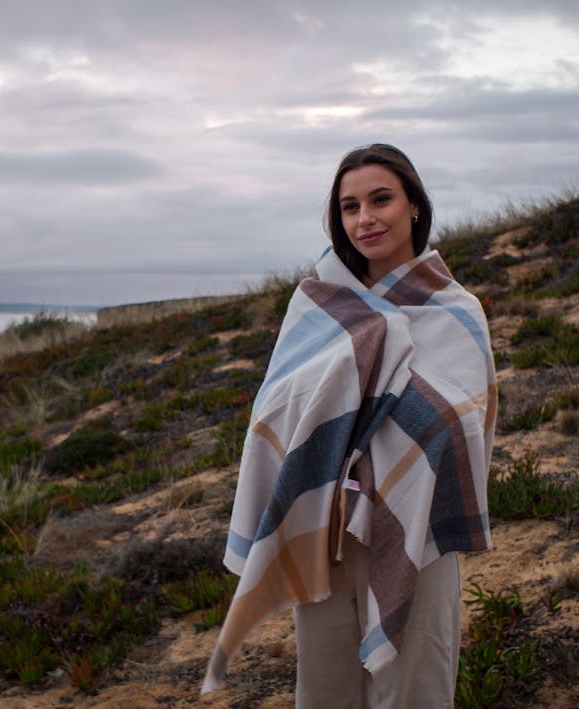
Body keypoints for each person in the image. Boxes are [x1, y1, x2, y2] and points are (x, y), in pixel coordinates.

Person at [202, 144, 497, 707]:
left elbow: (464, 421)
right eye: (349, 206)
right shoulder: (316, 305)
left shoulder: (457, 311)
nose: (366, 219)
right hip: (323, 522)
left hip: (418, 524)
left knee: (415, 687)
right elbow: (276, 408)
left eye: (381, 199)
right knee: (326, 686)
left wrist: (388, 404)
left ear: (414, 205)